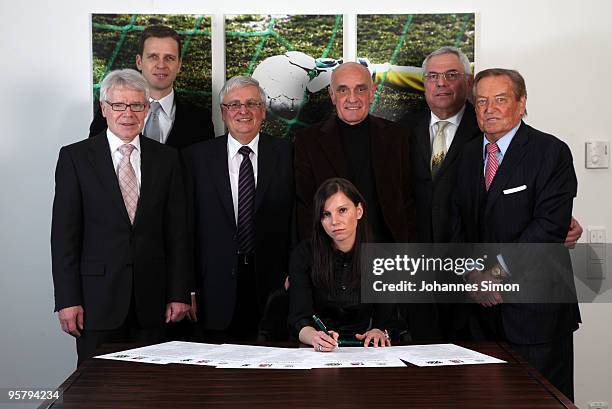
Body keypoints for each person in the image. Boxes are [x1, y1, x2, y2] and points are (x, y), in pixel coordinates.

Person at [451, 68, 580, 401]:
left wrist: (495, 274)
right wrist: (471, 276)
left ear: (521, 103)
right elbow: (456, 225)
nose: (489, 108)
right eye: (481, 101)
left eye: (500, 99)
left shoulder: (551, 153)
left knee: (540, 401)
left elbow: (548, 229)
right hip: (479, 312)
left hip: (535, 313)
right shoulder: (465, 155)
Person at [51, 69, 193, 365]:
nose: (128, 114)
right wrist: (67, 300)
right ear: (104, 108)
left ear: (146, 109)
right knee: (96, 389)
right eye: (119, 105)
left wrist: (179, 292)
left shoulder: (166, 159)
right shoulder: (75, 158)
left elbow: (178, 233)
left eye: (137, 105)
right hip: (96, 301)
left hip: (153, 302)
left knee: (153, 389)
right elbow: (64, 237)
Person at [183, 76, 294, 342]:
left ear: (263, 111)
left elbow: (297, 221)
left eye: (251, 103)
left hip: (274, 287)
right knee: (219, 380)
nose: (243, 111)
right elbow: (184, 229)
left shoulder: (289, 154)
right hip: (213, 289)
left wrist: (296, 272)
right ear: (223, 112)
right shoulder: (194, 158)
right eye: (234, 104)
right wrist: (186, 288)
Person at [294, 62, 415, 243]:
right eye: (343, 90)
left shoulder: (397, 137)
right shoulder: (307, 142)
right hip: (333, 254)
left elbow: (409, 201)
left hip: (388, 253)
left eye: (360, 89)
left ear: (372, 93)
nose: (352, 98)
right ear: (332, 95)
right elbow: (305, 209)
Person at [289, 178, 394, 351]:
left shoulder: (382, 258)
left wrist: (378, 331)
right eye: (326, 214)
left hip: (366, 352)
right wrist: (315, 337)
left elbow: (388, 320)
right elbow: (299, 319)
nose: (334, 221)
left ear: (359, 211)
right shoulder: (304, 254)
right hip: (316, 351)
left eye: (342, 210)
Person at [89, 24, 214, 148]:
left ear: (179, 65)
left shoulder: (200, 120)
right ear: (139, 62)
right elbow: (95, 160)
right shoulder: (110, 113)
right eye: (153, 57)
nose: (161, 65)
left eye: (169, 58)